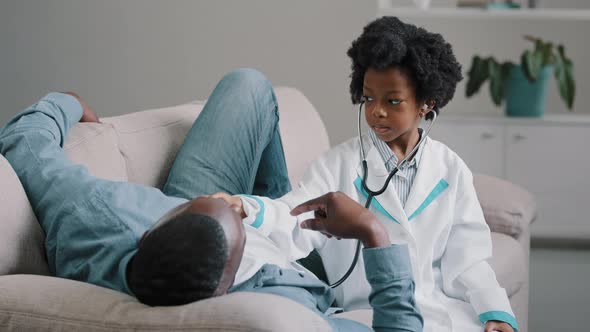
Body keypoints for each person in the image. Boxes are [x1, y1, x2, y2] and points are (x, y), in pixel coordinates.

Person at [0, 69, 422, 331]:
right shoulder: (286, 313)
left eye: (186, 211)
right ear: (227, 280)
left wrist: (68, 102)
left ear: (155, 228)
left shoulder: (96, 214)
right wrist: (372, 232)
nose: (231, 203)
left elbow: (22, 140)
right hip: (288, 264)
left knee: (248, 85)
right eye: (234, 217)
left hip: (197, 238)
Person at [216, 17, 518, 332]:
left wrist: (495, 310)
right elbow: (297, 214)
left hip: (441, 314)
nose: (377, 111)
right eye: (369, 98)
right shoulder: (338, 164)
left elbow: (468, 256)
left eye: (393, 101)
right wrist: (247, 207)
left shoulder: (450, 168)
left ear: (426, 103)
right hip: (369, 312)